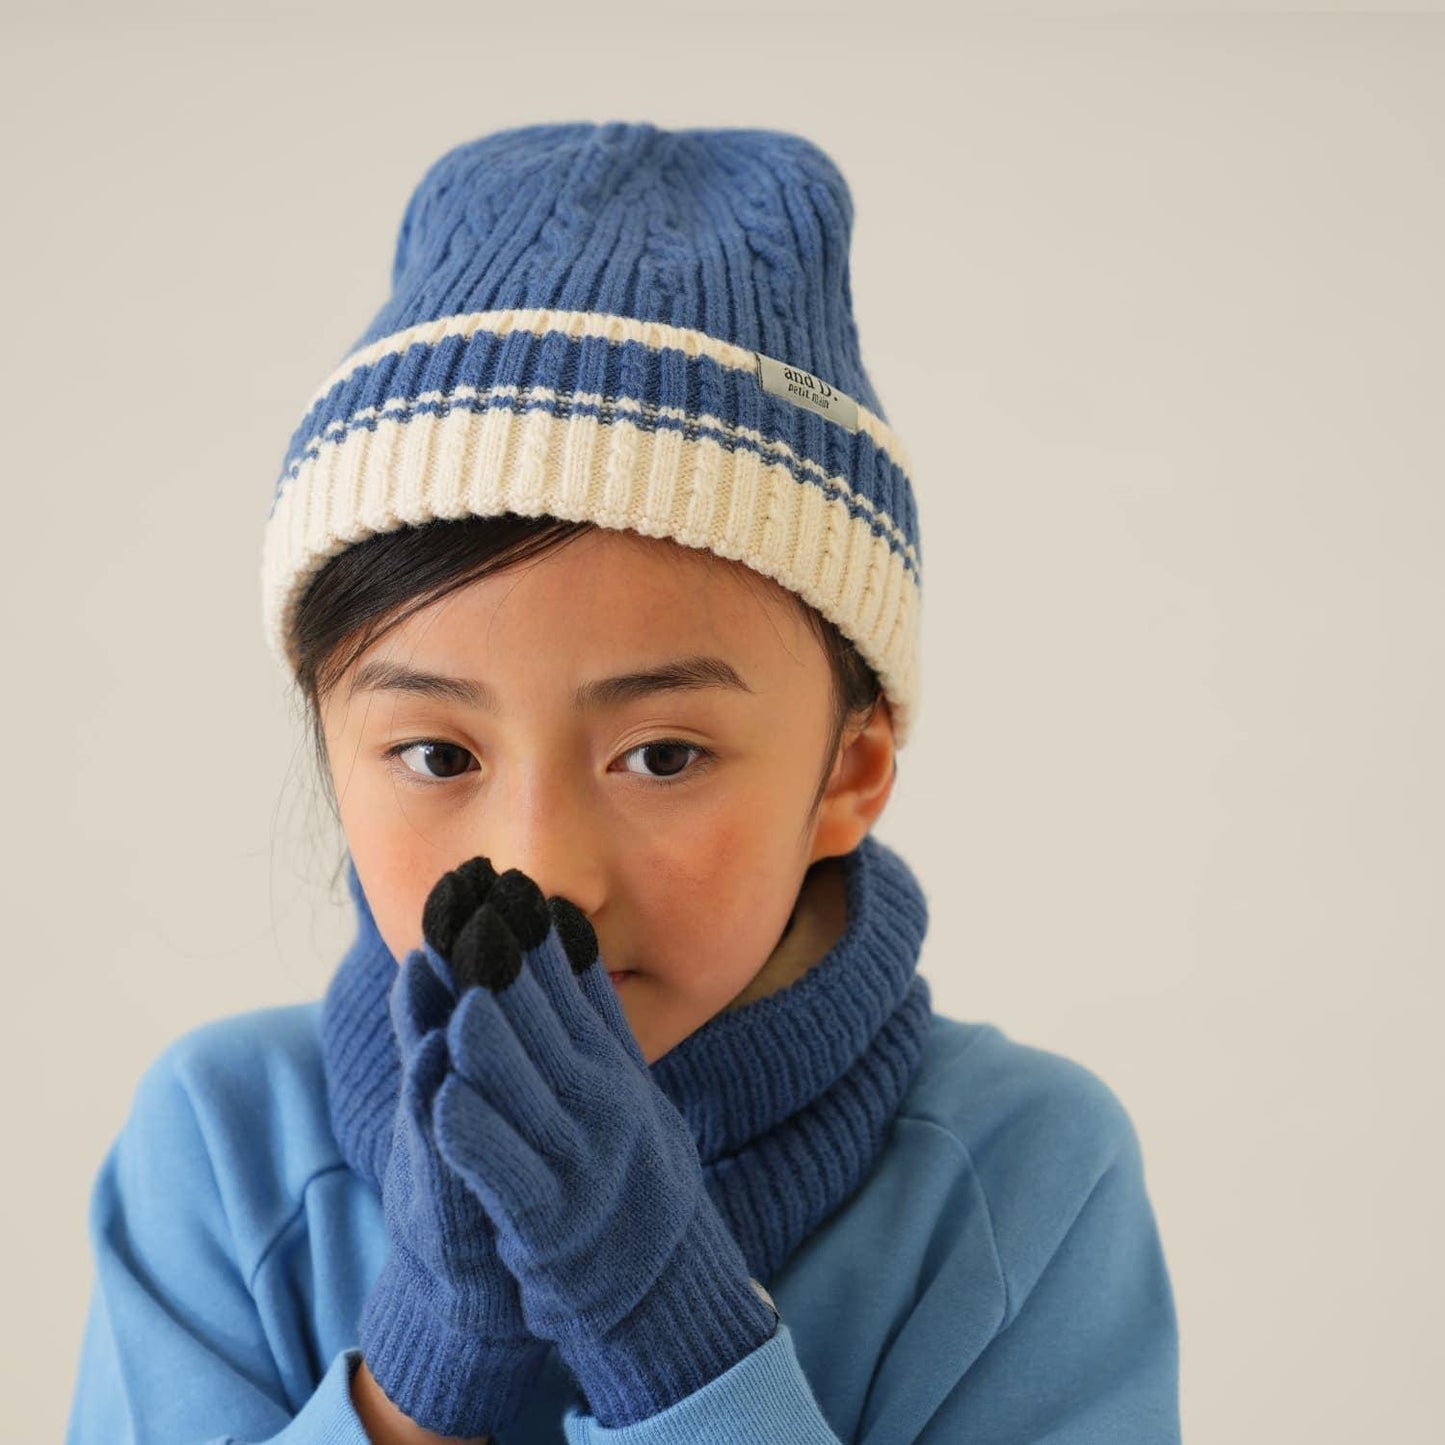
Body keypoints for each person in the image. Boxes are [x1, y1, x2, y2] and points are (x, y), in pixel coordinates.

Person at [65, 120, 1182, 1444]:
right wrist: (420, 1376)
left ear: (851, 766)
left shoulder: (1022, 1173)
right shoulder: (225, 1148)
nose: (541, 869)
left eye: (661, 754)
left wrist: (673, 1335)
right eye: (436, 754)